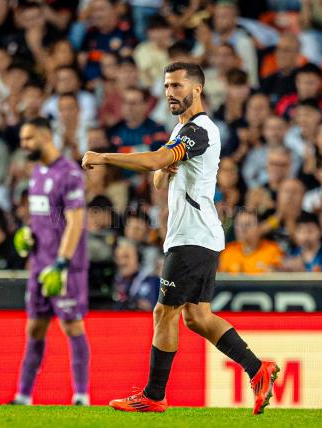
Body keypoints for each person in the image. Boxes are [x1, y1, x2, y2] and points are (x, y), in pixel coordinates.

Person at [82, 62, 279, 415]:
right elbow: (162, 172)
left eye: (176, 85)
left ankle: (153, 395)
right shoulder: (182, 131)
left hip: (192, 236)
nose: (169, 93)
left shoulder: (199, 130)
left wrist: (104, 157)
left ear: (197, 90)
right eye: (166, 86)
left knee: (163, 312)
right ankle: (258, 370)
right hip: (195, 235)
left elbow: (156, 161)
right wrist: (163, 171)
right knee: (197, 317)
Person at [9, 117, 91, 406]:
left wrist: (61, 263)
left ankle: (81, 395)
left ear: (45, 136)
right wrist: (28, 235)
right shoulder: (37, 173)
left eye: (29, 139)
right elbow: (43, 217)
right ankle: (23, 396)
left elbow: (76, 221)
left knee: (71, 326)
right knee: (34, 328)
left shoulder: (69, 173)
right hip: (38, 264)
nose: (24, 145)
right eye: (23, 140)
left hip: (63, 266)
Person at [219, 210, 283, 274]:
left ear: (259, 228)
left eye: (248, 224)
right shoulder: (228, 251)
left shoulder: (272, 250)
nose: (242, 229)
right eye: (238, 224)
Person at [113, 238, 159, 311]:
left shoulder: (153, 282)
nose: (121, 262)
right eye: (118, 258)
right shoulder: (114, 282)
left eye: (126, 257)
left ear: (139, 258)